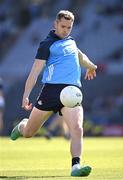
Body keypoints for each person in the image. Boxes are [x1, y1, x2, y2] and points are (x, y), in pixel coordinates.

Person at [10, 10, 97, 177]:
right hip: (50, 92)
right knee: (29, 133)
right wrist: (26, 94)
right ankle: (22, 126)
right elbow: (35, 71)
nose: (66, 30)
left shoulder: (71, 41)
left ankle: (75, 166)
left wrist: (91, 66)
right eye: (63, 26)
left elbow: (80, 56)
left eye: (69, 27)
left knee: (77, 128)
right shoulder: (46, 44)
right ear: (55, 24)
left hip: (72, 92)